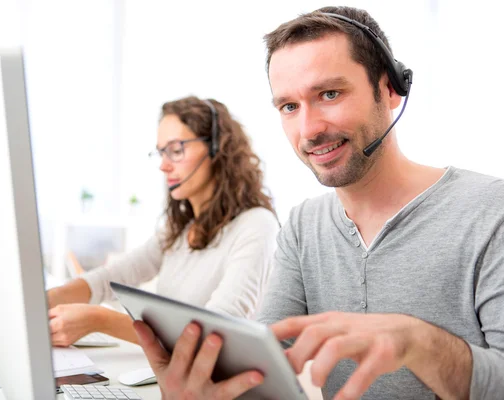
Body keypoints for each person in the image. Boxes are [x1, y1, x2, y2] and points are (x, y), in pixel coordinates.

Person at [134, 6, 504, 400]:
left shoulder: (489, 211)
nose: (309, 130)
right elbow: (265, 372)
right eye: (289, 107)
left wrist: (418, 341)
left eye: (330, 94)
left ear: (391, 89)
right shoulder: (304, 226)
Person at [47, 96, 279, 346]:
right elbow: (114, 276)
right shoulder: (181, 229)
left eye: (176, 150)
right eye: (161, 153)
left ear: (216, 149)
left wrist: (100, 320)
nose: (164, 166)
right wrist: (50, 298)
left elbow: (216, 332)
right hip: (170, 376)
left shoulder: (256, 225)